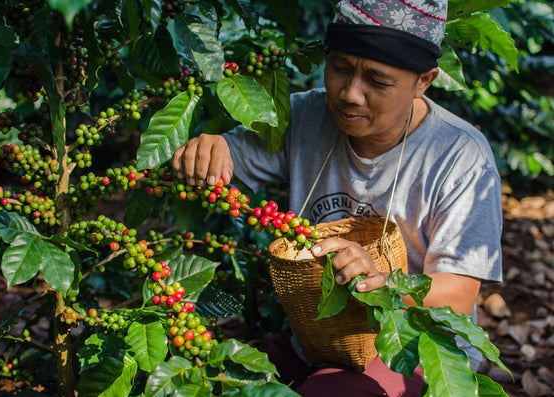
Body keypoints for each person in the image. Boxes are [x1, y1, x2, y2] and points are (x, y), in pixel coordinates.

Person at [172, 0, 503, 395]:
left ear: (424, 81)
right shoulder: (307, 117)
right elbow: (224, 161)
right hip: (319, 337)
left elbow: (459, 295)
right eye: (340, 68)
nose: (350, 94)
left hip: (412, 345)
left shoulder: (459, 155)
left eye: (378, 82)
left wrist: (385, 283)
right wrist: (210, 149)